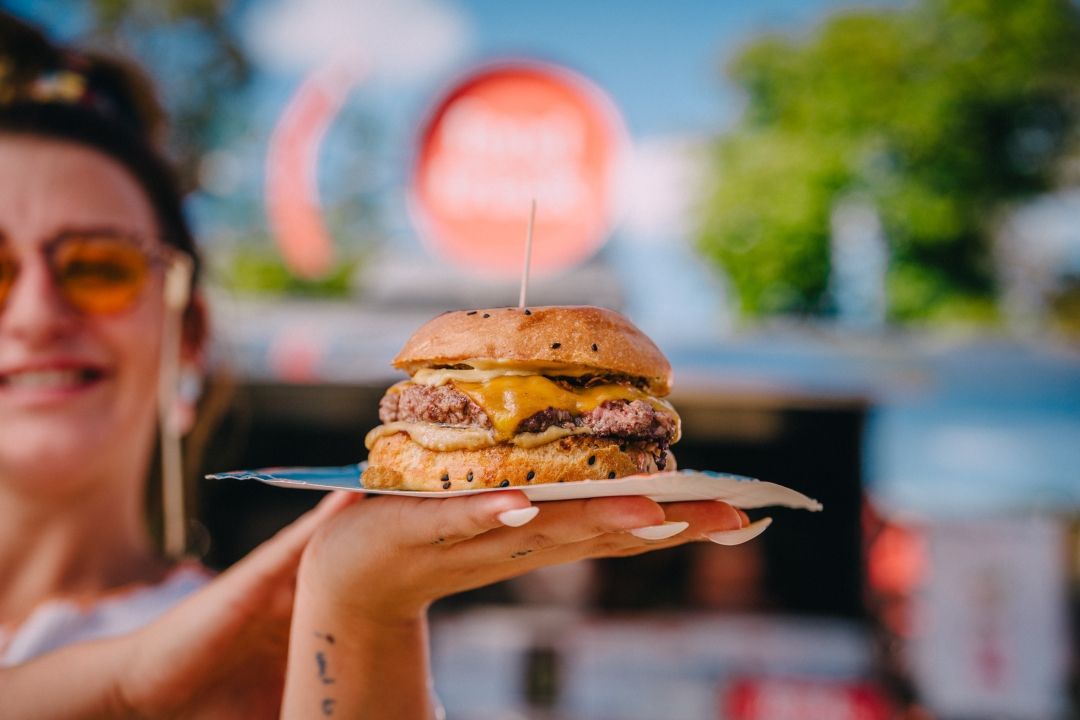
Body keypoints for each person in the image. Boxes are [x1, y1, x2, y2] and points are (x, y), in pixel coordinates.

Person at [0, 12, 757, 718]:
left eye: (100, 267)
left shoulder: (266, 656)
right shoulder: (169, 662)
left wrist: (360, 611)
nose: (36, 314)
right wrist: (121, 686)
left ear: (189, 336)